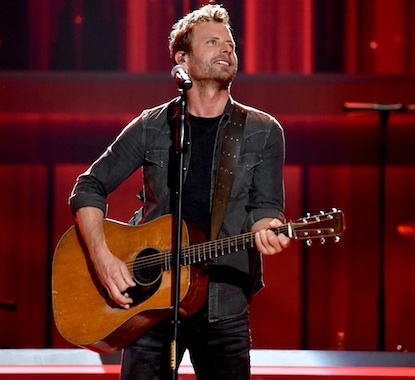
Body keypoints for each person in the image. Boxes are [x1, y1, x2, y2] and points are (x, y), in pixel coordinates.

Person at [69, 4, 290, 379]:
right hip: (149, 304)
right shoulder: (151, 126)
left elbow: (266, 209)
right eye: (213, 42)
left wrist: (269, 228)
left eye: (230, 44)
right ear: (182, 60)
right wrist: (103, 259)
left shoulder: (264, 130)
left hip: (224, 305)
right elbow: (89, 186)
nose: (227, 50)